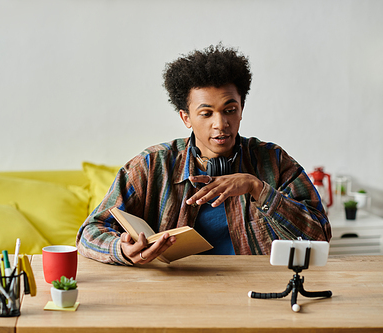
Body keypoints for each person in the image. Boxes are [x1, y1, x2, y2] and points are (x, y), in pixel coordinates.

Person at [76, 43, 331, 265]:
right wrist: (121, 249)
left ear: (241, 109)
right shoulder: (152, 164)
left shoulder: (273, 161)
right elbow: (89, 232)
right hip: (176, 293)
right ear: (186, 118)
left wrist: (257, 187)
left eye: (230, 109)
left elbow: (320, 235)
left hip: (258, 291)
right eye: (206, 113)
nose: (221, 124)